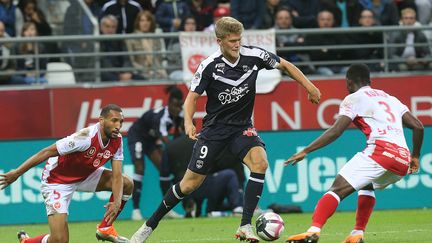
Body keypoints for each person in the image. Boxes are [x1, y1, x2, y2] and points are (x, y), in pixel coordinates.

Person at [130, 16, 321, 243]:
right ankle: (148, 226)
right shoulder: (209, 66)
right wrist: (189, 123)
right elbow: (191, 98)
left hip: (242, 128)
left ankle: (245, 226)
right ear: (219, 41)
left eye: (239, 39)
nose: (236, 44)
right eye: (231, 41)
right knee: (188, 185)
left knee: (260, 163)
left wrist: (310, 86)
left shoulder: (254, 56)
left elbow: (285, 65)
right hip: (214, 132)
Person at [285, 63, 424, 243]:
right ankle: (357, 234)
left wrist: (306, 150)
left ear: (349, 82)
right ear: (369, 81)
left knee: (337, 189)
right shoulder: (391, 98)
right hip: (402, 159)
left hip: (381, 151)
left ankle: (313, 231)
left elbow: (336, 130)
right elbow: (418, 127)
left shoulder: (354, 98)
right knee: (367, 185)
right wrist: (415, 157)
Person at [0, 104, 134, 243]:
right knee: (59, 240)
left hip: (86, 174)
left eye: (121, 122)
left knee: (127, 184)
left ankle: (105, 229)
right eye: (114, 120)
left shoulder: (117, 140)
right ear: (101, 120)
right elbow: (47, 152)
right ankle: (27, 242)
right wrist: (17, 172)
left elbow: (117, 176)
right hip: (57, 180)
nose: (118, 126)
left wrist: (117, 201)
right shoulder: (85, 137)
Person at [128, 86, 184, 220]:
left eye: (180, 106)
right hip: (138, 136)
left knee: (164, 169)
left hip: (151, 139)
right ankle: (135, 211)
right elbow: (168, 143)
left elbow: (177, 136)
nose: (178, 109)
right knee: (140, 169)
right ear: (169, 104)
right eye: (175, 106)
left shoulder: (179, 116)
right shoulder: (161, 118)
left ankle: (167, 209)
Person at [159, 134, 245, 218]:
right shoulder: (203, 142)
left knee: (184, 184)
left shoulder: (170, 146)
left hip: (182, 187)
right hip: (202, 183)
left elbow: (164, 177)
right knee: (229, 174)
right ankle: (235, 207)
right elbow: (215, 163)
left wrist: (167, 201)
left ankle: (192, 206)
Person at [126, 10, 168, 79]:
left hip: (157, 71)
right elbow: (132, 61)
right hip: (140, 72)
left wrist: (157, 70)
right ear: (138, 22)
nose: (145, 23)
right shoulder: (131, 39)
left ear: (151, 23)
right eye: (142, 21)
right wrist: (145, 71)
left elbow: (160, 59)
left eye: (148, 21)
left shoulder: (156, 38)